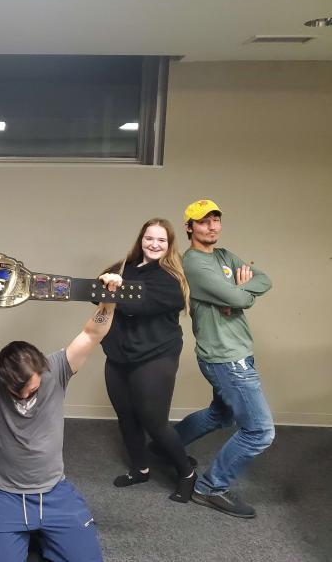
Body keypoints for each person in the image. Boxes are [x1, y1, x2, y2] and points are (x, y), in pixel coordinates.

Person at [0, 259, 122, 562]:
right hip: (4, 496)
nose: (23, 397)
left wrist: (108, 300)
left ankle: (46, 535)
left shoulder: (57, 368)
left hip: (55, 493)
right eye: (15, 391)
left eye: (30, 390)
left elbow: (91, 334)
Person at [174, 199, 274, 518]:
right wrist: (237, 293)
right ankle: (210, 487)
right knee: (259, 431)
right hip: (224, 357)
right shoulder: (193, 263)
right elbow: (237, 297)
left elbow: (264, 279)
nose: (212, 226)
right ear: (190, 227)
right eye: (204, 221)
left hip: (237, 352)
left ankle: (166, 446)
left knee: (220, 414)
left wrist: (236, 293)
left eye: (216, 219)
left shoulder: (224, 255)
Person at [99, 218, 196, 502]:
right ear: (141, 240)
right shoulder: (123, 268)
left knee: (154, 421)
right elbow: (95, 294)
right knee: (126, 415)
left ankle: (187, 473)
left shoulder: (171, 279)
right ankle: (140, 469)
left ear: (169, 244)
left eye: (161, 240)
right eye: (149, 238)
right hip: (119, 355)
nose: (154, 244)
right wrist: (108, 283)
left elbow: (137, 305)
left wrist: (115, 289)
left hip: (156, 355)